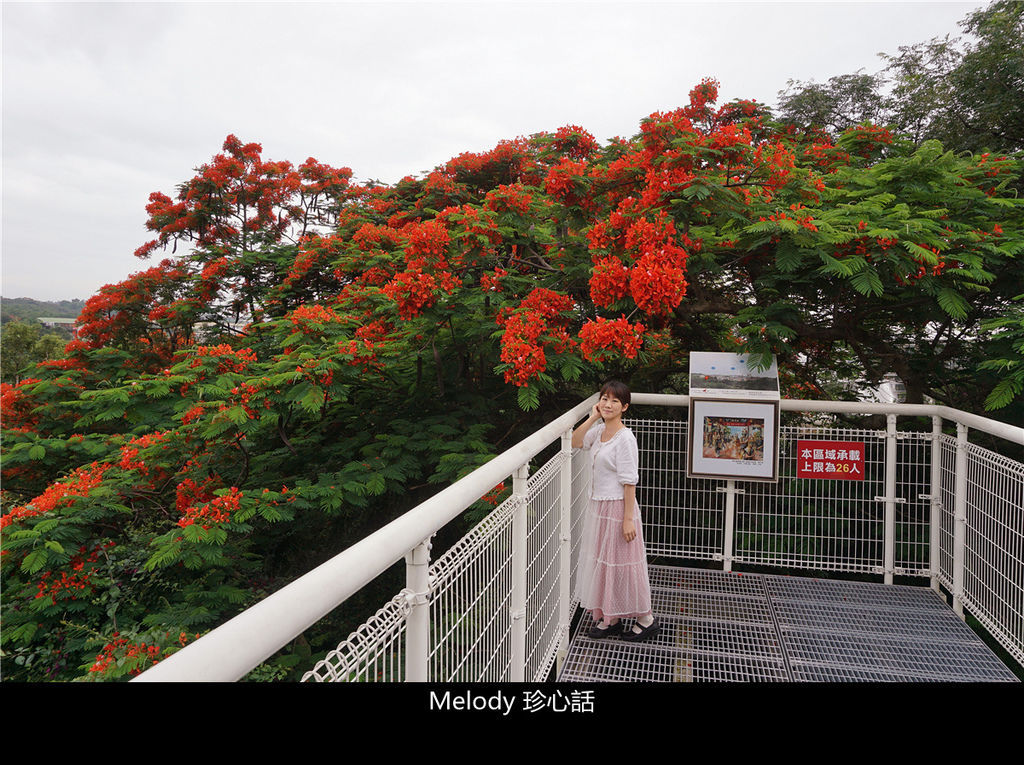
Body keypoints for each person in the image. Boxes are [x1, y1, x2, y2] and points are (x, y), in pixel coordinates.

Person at [572, 380, 660, 641]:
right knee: (604, 563)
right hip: (599, 507)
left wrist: (628, 519)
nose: (608, 404)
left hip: (619, 508)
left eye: (614, 401)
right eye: (604, 399)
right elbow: (576, 441)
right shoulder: (598, 432)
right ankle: (610, 617)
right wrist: (593, 417)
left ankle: (646, 619)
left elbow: (629, 480)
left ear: (625, 407)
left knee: (624, 565)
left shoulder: (625, 438)